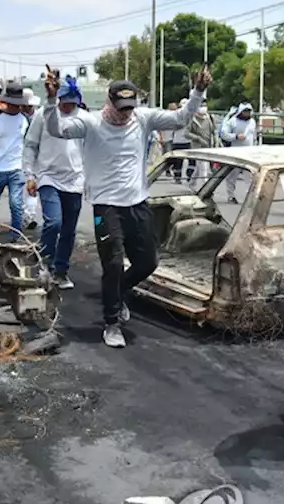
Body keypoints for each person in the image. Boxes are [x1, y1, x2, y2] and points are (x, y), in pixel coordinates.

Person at [43, 69, 210, 348]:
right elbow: (56, 129)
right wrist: (50, 101)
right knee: (113, 263)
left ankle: (116, 292)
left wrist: (198, 92)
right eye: (121, 109)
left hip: (137, 203)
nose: (125, 114)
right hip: (106, 206)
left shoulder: (143, 118)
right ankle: (112, 324)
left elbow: (180, 118)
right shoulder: (91, 123)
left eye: (130, 108)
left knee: (148, 263)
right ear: (109, 102)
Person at [24, 76, 84, 289]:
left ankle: (61, 270)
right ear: (58, 99)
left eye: (72, 103)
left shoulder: (84, 118)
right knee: (54, 222)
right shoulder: (44, 114)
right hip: (48, 177)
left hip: (75, 180)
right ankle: (44, 262)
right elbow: (31, 145)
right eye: (64, 101)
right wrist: (30, 175)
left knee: (69, 230)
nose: (68, 106)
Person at [0, 82, 30, 237]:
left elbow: (30, 146)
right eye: (12, 104)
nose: (15, 107)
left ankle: (16, 234)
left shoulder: (25, 120)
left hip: (16, 168)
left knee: (16, 203)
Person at [218, 103, 257, 203]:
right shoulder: (232, 121)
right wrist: (235, 136)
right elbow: (224, 134)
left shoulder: (252, 122)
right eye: (245, 111)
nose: (247, 113)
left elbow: (254, 136)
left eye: (249, 111)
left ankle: (249, 198)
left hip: (249, 154)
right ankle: (230, 195)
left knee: (250, 176)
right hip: (235, 152)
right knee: (232, 176)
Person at [184, 101, 219, 184]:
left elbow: (215, 131)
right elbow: (186, 133)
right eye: (201, 105)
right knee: (204, 167)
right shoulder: (192, 119)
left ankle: (192, 184)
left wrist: (216, 141)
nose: (203, 107)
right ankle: (205, 185)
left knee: (199, 167)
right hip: (198, 147)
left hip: (209, 146)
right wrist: (198, 138)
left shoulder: (210, 117)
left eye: (205, 105)